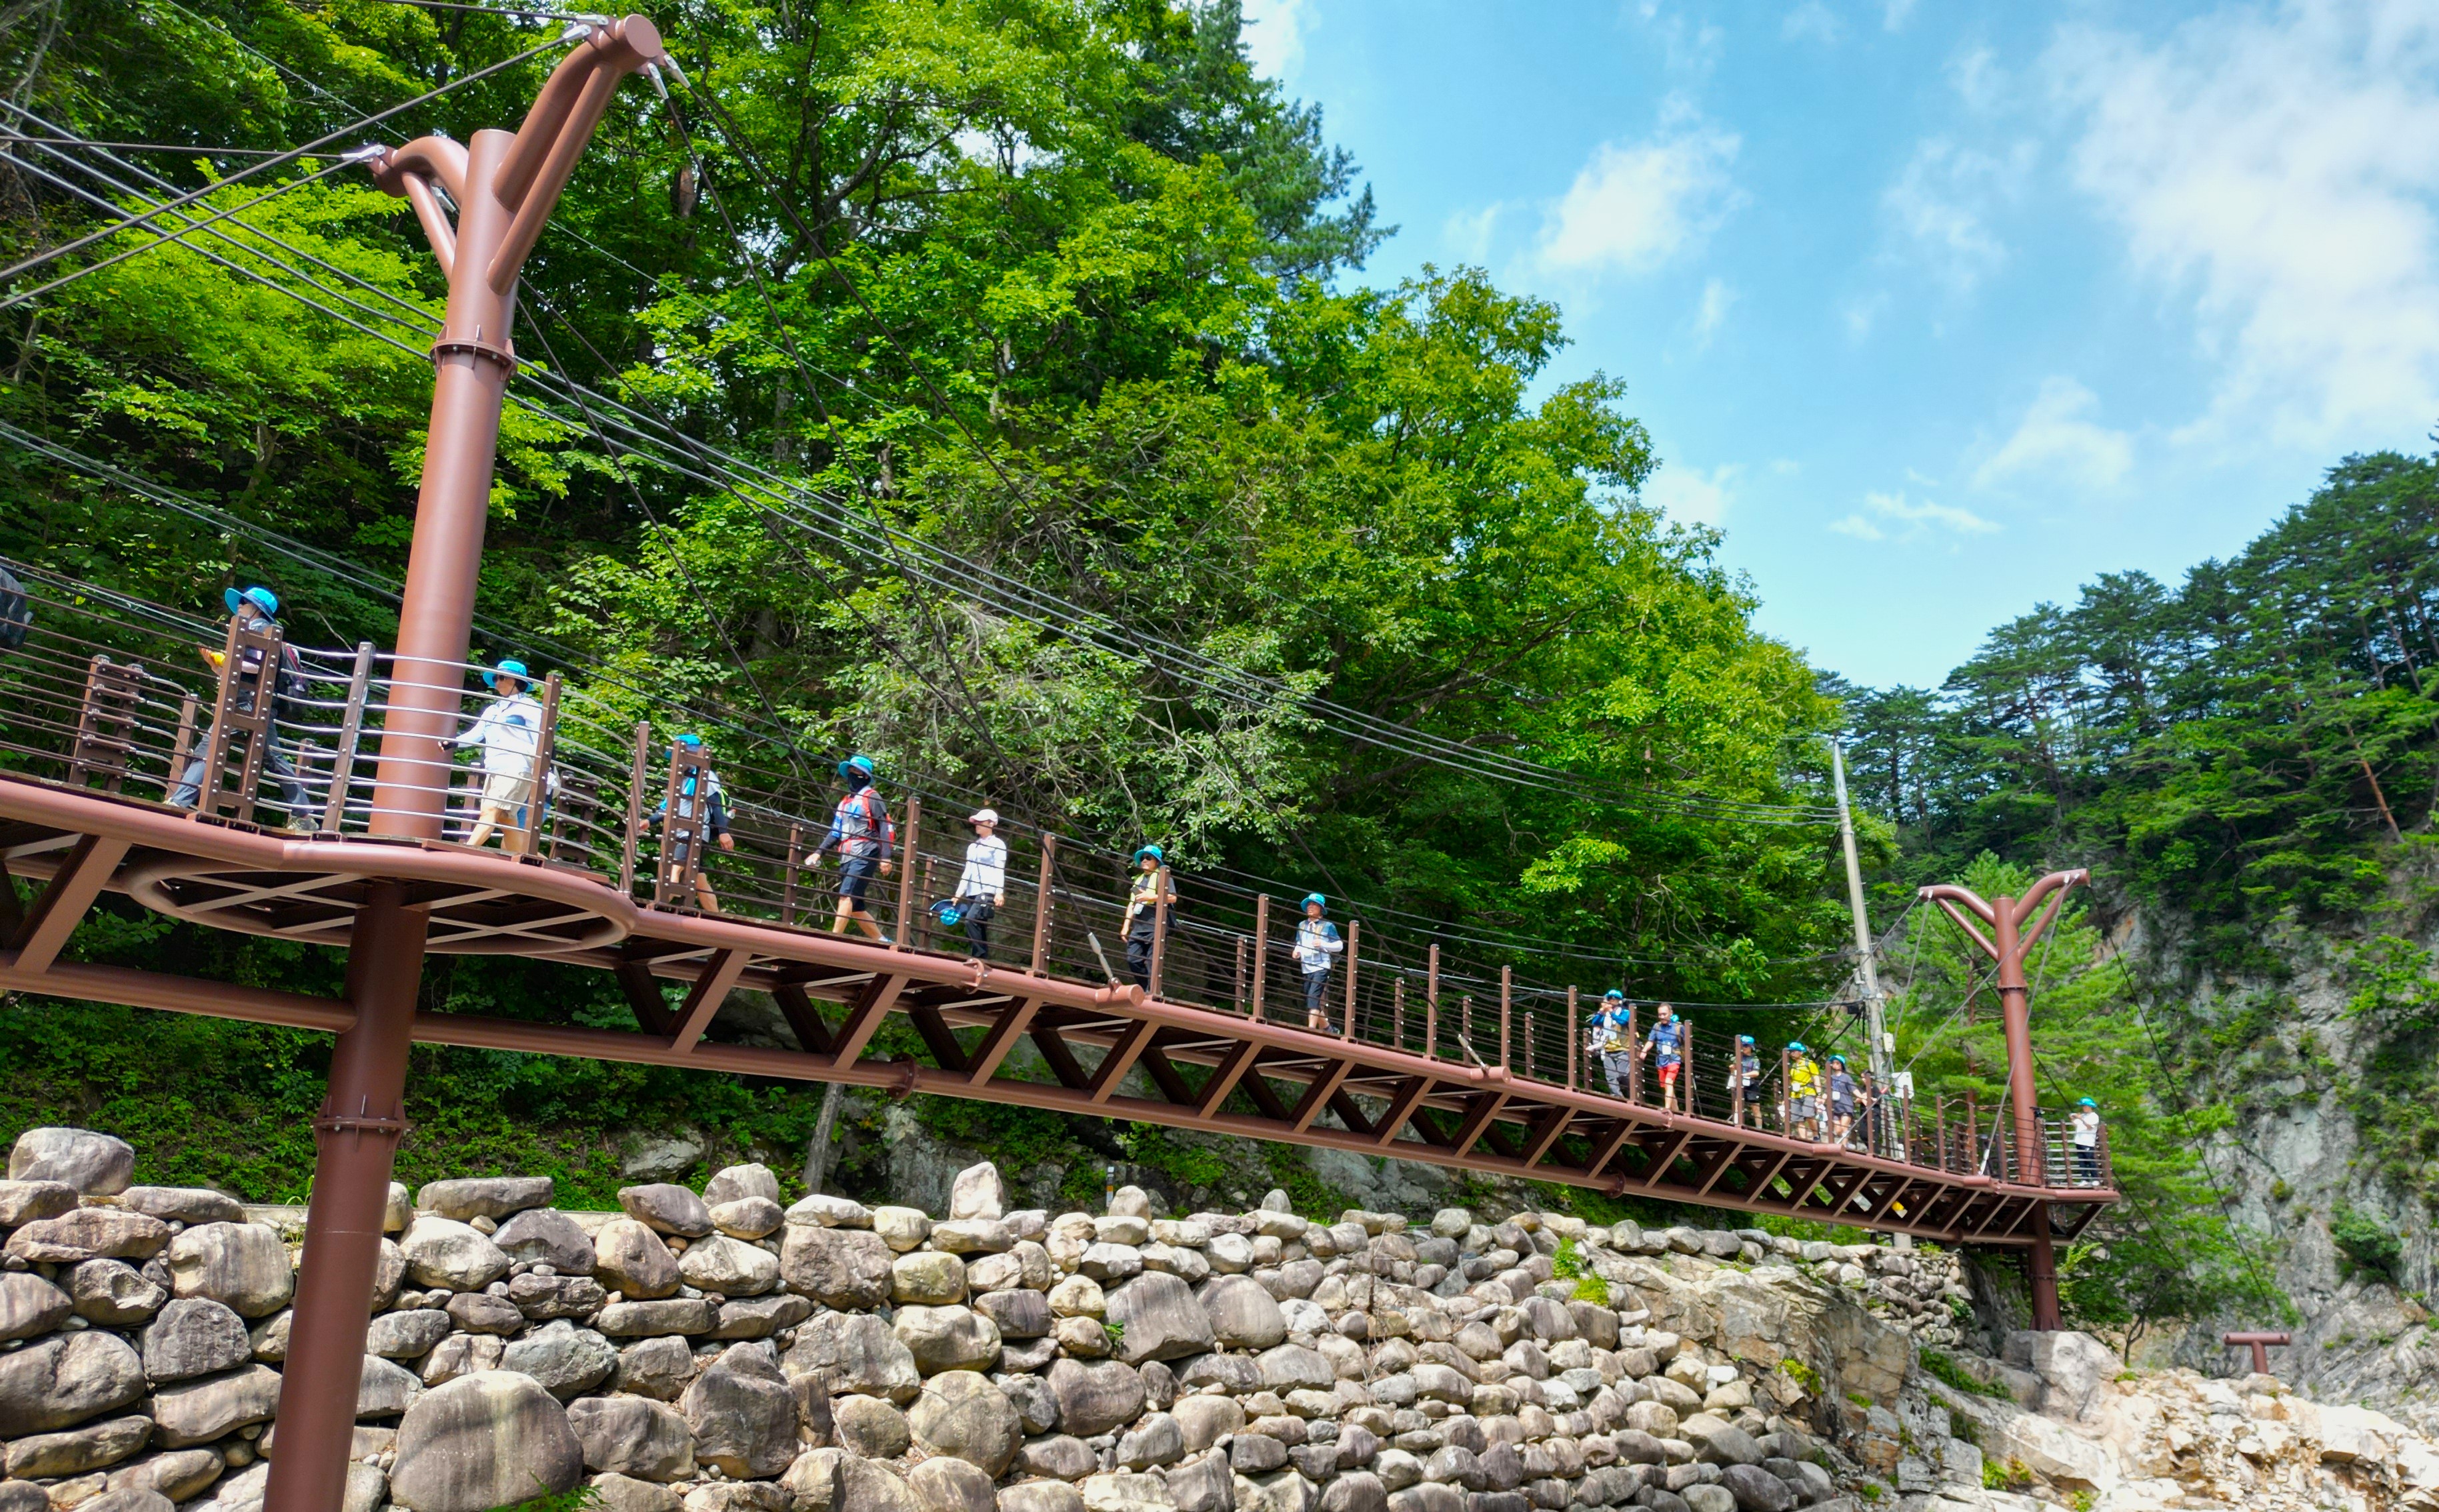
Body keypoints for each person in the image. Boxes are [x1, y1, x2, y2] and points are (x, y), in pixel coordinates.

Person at [168, 585, 313, 832]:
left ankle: (179, 802)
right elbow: (239, 672)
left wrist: (226, 660)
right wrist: (217, 665)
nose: (239, 606)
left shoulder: (261, 630)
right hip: (251, 703)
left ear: (257, 608)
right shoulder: (254, 629)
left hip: (250, 704)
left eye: (244, 602)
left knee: (214, 745)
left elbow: (256, 667)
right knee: (269, 757)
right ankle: (304, 814)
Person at [447, 659, 542, 851]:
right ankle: (524, 858)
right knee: (505, 818)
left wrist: (544, 770)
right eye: (496, 678)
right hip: (494, 769)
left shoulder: (529, 706)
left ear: (517, 681)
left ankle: (465, 852)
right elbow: (476, 734)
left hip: (516, 767)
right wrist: (453, 742)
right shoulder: (493, 710)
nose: (497, 682)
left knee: (489, 811)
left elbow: (541, 739)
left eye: (502, 678)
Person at [647, 733, 734, 911]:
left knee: (674, 868)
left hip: (692, 833)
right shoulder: (681, 779)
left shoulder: (705, 775)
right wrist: (649, 821)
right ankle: (716, 916)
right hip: (680, 832)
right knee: (699, 879)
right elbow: (666, 809)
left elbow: (716, 805)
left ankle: (656, 906)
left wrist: (723, 832)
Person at [811, 755, 895, 941]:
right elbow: (835, 832)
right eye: (850, 772)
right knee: (856, 907)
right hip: (847, 855)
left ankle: (832, 939)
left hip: (866, 852)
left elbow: (884, 828)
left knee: (846, 895)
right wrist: (818, 852)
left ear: (865, 776)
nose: (852, 775)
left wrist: (886, 857)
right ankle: (882, 940)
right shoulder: (845, 802)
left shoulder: (872, 797)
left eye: (856, 772)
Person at [949, 807, 1007, 961]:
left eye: (981, 821)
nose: (977, 824)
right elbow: (967, 871)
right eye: (976, 822)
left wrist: (999, 892)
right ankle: (983, 957)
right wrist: (958, 894)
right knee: (979, 924)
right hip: (972, 890)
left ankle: (978, 955)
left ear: (991, 823)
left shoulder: (998, 844)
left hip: (987, 890)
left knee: (971, 920)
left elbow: (999, 869)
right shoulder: (973, 846)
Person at [1123, 845, 1174, 991]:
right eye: (1142, 858)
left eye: (1148, 858)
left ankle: (1152, 991)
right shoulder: (1138, 880)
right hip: (1138, 927)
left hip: (1155, 926)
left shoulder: (1163, 877)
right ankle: (1146, 988)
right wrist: (1126, 926)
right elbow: (1132, 904)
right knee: (1132, 959)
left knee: (1153, 962)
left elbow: (1172, 898)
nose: (1144, 860)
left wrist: (1151, 897)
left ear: (1156, 862)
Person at [1294, 893, 1345, 1031]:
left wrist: (1323, 944)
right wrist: (1297, 951)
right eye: (1309, 905)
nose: (1310, 907)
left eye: (1314, 905)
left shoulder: (1328, 926)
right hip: (1306, 967)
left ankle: (1310, 1029)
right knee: (1311, 999)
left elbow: (1339, 945)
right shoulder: (1302, 925)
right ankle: (1329, 1029)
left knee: (1313, 996)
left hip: (1321, 966)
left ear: (1321, 908)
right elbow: (1299, 942)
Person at [1640, 1002, 1686, 1113]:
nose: (1662, 1017)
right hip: (1661, 1060)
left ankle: (1667, 1108)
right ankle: (1677, 1111)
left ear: (1671, 1013)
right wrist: (1644, 1051)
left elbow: (1687, 1044)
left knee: (1669, 1082)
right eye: (1660, 1014)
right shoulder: (1657, 1027)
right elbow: (1651, 1041)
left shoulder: (1679, 1028)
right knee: (1667, 1086)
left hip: (1674, 1059)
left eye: (1664, 1014)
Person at [1590, 990, 1635, 1100]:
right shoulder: (1605, 1015)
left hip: (1622, 1049)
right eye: (1610, 999)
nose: (1612, 1001)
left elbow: (1623, 1022)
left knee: (1623, 1074)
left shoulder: (1625, 1012)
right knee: (1611, 1076)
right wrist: (1601, 1012)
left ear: (1619, 1001)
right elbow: (1595, 1022)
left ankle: (1633, 1092)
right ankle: (1617, 1097)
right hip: (1608, 1049)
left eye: (1615, 999)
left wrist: (1612, 1013)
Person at [1786, 1041, 1822, 1141]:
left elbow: (1816, 1078)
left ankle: (1816, 1135)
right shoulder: (1792, 1066)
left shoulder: (1809, 1063)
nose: (1792, 1053)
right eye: (1791, 1051)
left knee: (1809, 1114)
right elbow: (1790, 1081)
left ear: (1801, 1052)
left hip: (1808, 1092)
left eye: (1794, 1051)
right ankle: (1803, 1140)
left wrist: (1819, 1094)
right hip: (1795, 1094)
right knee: (1798, 1119)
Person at [1827, 1055, 1862, 1147]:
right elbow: (1827, 1091)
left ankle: (1844, 1146)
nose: (1835, 1065)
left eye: (1837, 1063)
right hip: (1835, 1107)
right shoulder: (1831, 1078)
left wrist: (1862, 1097)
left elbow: (1854, 1089)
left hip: (1846, 1106)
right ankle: (1847, 1143)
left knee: (1844, 1126)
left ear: (1841, 1065)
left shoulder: (1846, 1077)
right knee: (1838, 1130)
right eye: (1833, 1063)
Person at [1729, 1034, 1762, 1125]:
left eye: (1746, 1046)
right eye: (1742, 1046)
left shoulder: (1755, 1059)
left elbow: (1756, 1073)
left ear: (1751, 1047)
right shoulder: (1737, 1058)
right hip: (1740, 1084)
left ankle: (1759, 1128)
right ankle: (1737, 1124)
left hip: (1752, 1085)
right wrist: (1732, 1069)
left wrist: (1742, 1075)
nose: (1744, 1048)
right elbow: (1734, 1074)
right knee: (1737, 1105)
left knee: (1755, 1108)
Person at [2071, 1097, 2102, 1185]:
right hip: (2079, 1141)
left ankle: (2095, 1179)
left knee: (2090, 1160)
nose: (2083, 1108)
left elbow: (2089, 1127)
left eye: (2085, 1106)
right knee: (2082, 1161)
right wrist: (2072, 1118)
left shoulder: (2094, 1116)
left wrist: (2081, 1119)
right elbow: (2076, 1125)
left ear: (2089, 1107)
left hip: (2088, 1142)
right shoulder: (2083, 1115)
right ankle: (2085, 1179)